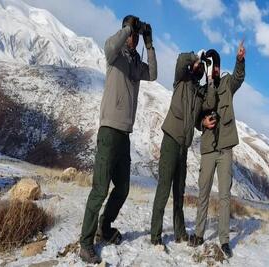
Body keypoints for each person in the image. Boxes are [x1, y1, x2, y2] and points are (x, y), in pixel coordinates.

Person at [79, 15, 157, 264]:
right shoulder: (115, 55)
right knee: (100, 188)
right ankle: (85, 243)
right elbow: (110, 46)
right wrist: (127, 29)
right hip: (109, 130)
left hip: (125, 134)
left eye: (135, 35)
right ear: (125, 31)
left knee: (122, 187)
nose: (133, 38)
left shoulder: (135, 62)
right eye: (131, 34)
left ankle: (105, 225)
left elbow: (153, 74)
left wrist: (149, 43)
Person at [150, 50, 216, 246]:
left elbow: (210, 103)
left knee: (179, 192)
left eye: (201, 68)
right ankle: (155, 235)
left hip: (184, 148)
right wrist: (195, 57)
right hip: (170, 141)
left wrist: (211, 80)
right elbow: (180, 60)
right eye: (197, 66)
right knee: (163, 188)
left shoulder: (199, 93)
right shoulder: (181, 80)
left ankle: (179, 232)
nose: (198, 68)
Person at [188, 41, 246, 258]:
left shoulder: (228, 84)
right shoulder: (202, 90)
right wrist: (203, 123)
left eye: (217, 66)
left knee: (224, 196)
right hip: (208, 148)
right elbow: (195, 118)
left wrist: (240, 60)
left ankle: (224, 240)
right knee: (203, 192)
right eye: (212, 66)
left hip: (225, 148)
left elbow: (239, 77)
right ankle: (199, 233)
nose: (215, 70)